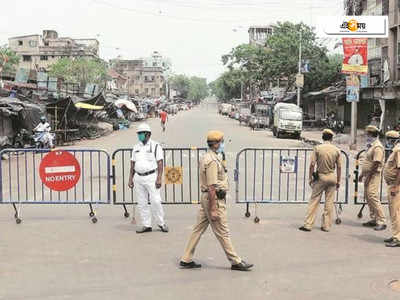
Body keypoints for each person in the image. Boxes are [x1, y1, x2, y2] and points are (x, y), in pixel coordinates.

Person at [179, 130, 253, 271]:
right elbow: (212, 186)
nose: (223, 144)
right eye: (222, 141)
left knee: (198, 229)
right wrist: (213, 209)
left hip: (207, 198)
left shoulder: (209, 156)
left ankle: (186, 258)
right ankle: (235, 261)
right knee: (222, 231)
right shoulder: (212, 161)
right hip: (214, 199)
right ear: (216, 143)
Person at [128, 123, 168, 234]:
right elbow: (132, 164)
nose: (139, 135)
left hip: (151, 177)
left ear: (148, 134)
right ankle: (146, 225)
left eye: (141, 133)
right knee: (142, 202)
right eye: (138, 133)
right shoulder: (136, 147)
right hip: (138, 178)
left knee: (156, 201)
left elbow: (160, 163)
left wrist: (159, 178)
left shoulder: (155, 146)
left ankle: (161, 223)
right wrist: (130, 178)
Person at [299, 129, 341, 232]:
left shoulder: (317, 148)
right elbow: (339, 167)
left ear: (322, 137)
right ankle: (326, 226)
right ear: (331, 138)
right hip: (332, 177)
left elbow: (312, 164)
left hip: (321, 177)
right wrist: (338, 181)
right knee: (329, 202)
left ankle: (308, 224)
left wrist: (310, 178)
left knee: (314, 201)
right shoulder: (336, 150)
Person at [358, 125, 387, 230]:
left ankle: (381, 221)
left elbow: (376, 164)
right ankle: (374, 218)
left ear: (371, 134)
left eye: (368, 134)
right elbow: (368, 162)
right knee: (368, 197)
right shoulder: (371, 145)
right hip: (367, 175)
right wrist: (362, 174)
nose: (366, 136)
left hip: (373, 175)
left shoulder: (377, 147)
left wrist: (369, 176)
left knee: (373, 197)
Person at [383, 131, 400, 247]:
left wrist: (395, 186)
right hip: (393, 184)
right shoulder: (396, 149)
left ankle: (397, 237)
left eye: (388, 139)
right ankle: (396, 234)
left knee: (395, 213)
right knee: (394, 212)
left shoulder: (398, 150)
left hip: (395, 186)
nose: (387, 141)